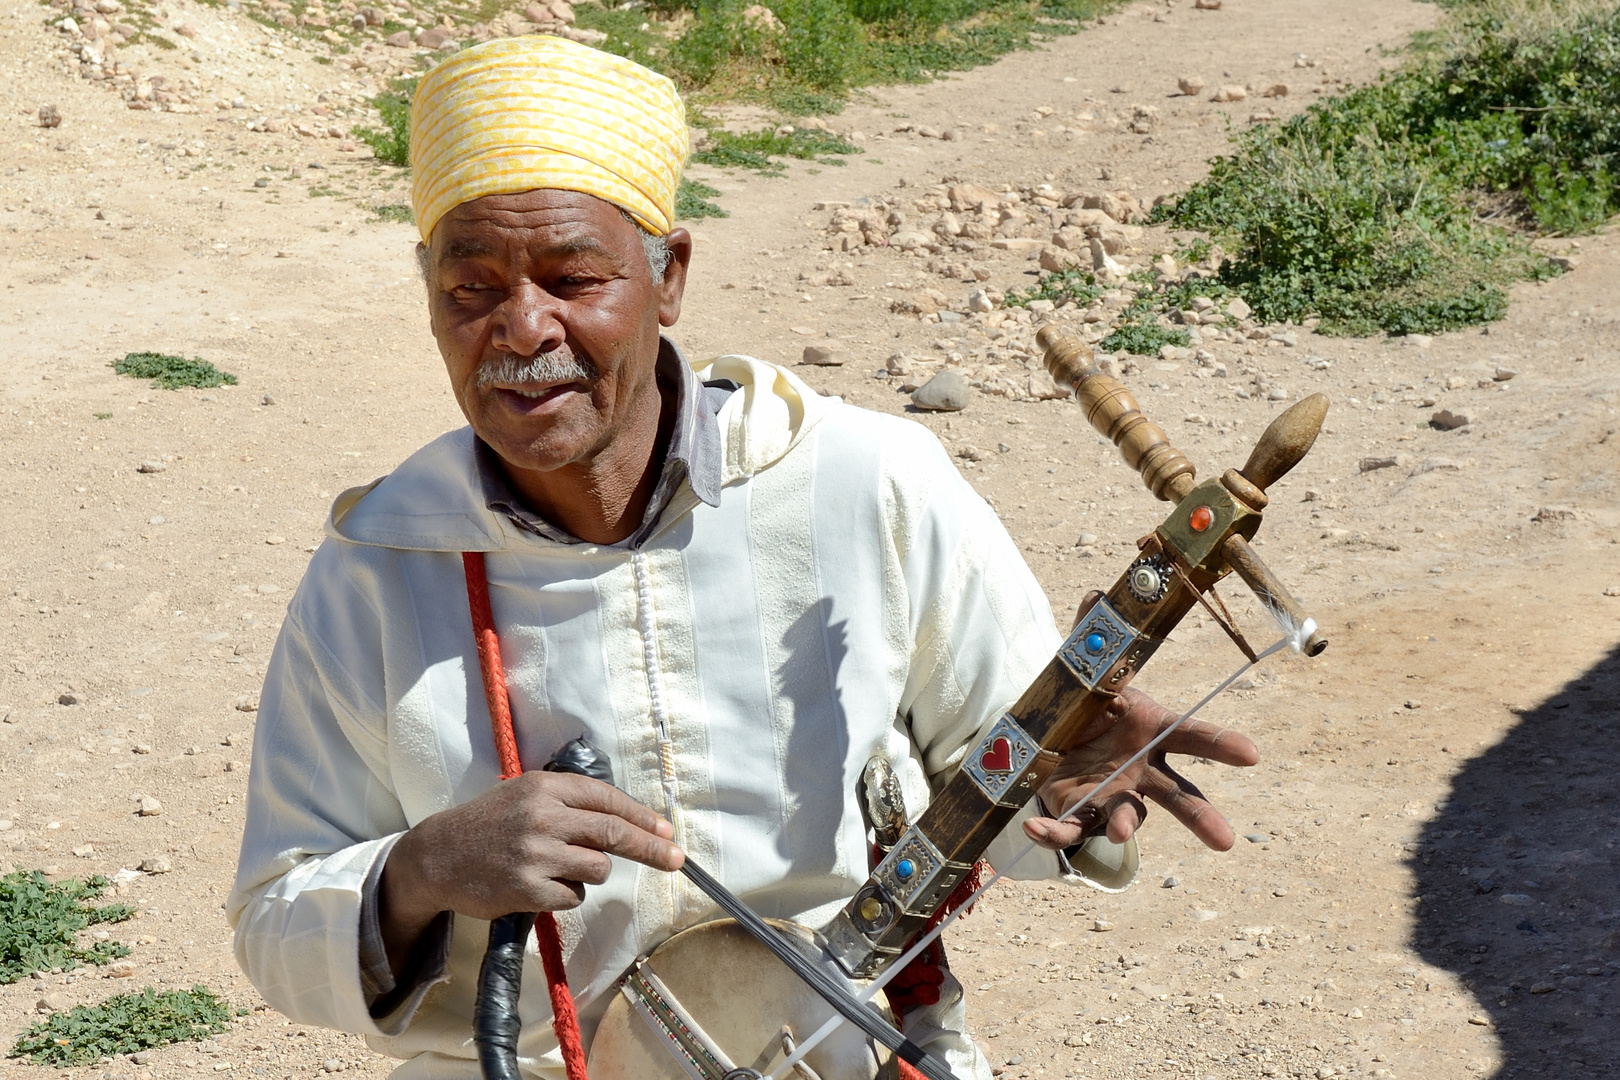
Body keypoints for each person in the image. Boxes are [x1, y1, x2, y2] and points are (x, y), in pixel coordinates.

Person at [228, 35, 1258, 1080]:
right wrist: (424, 867)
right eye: (471, 288)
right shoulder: (378, 568)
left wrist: (1060, 785)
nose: (520, 327)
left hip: (853, 1051)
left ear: (668, 275)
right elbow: (275, 918)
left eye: (575, 278)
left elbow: (1003, 801)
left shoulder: (870, 484)